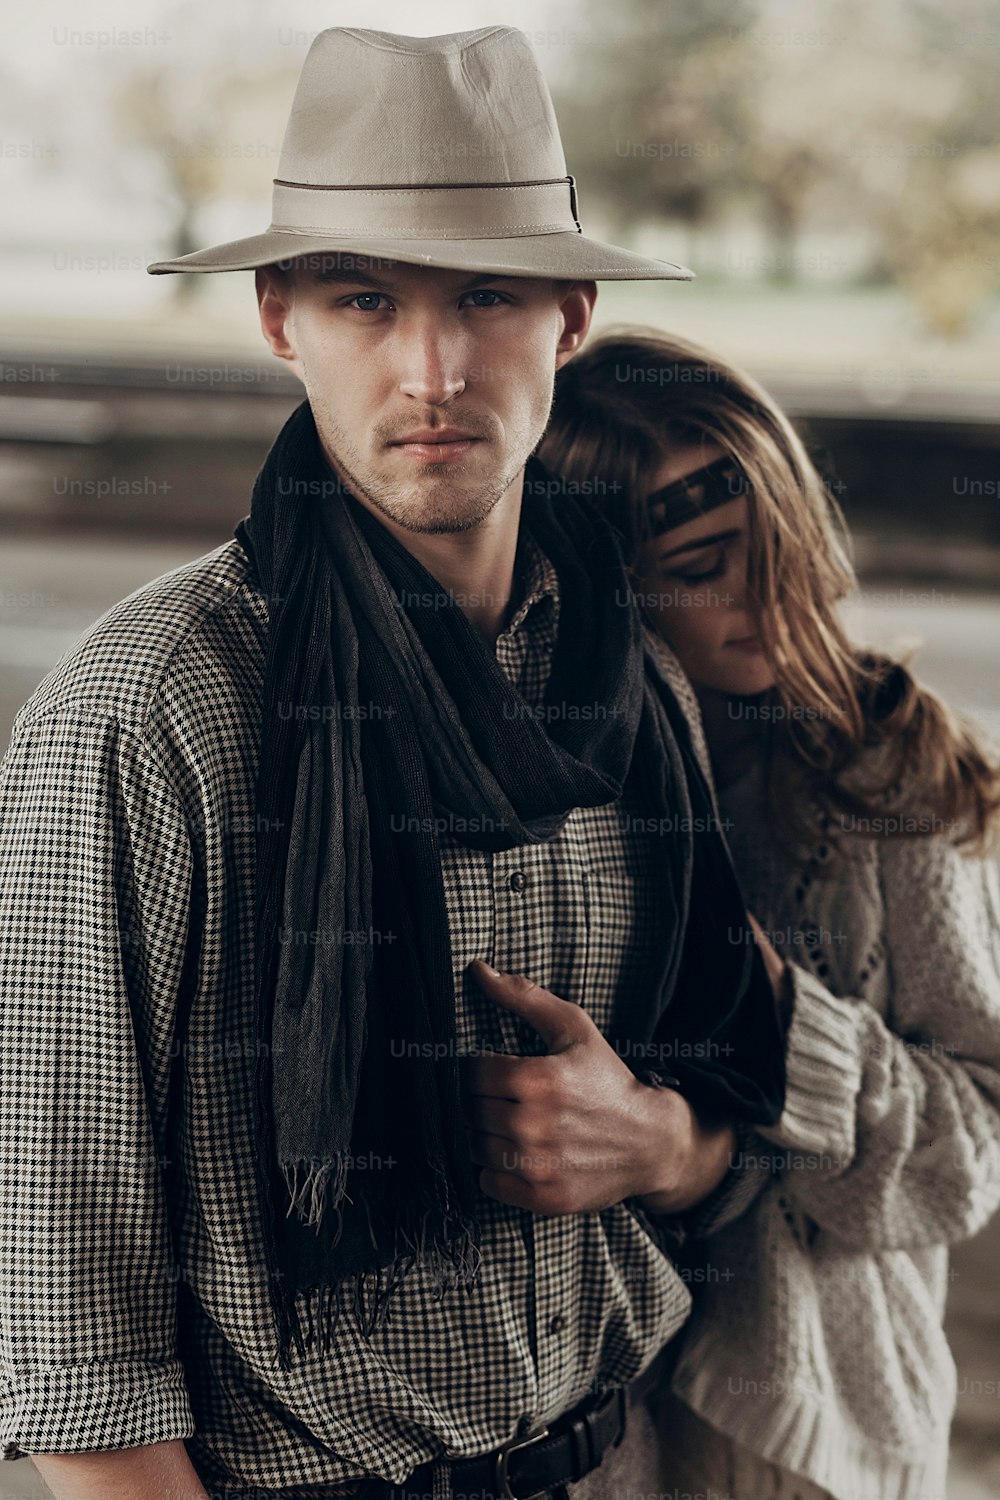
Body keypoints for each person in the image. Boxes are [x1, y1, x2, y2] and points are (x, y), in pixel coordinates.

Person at [0, 32, 788, 1500]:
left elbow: (738, 1092)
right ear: (280, 320)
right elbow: (75, 1350)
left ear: (571, 316)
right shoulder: (146, 718)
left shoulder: (632, 679)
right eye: (368, 299)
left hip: (614, 1462)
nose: (431, 370)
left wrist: (654, 1140)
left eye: (483, 296)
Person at [539, 326, 1000, 1500]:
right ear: (598, 586)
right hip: (592, 1434)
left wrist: (785, 1021)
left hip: (812, 1438)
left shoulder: (888, 769)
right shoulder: (546, 788)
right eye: (699, 566)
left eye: (772, 542)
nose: (761, 593)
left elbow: (975, 1145)